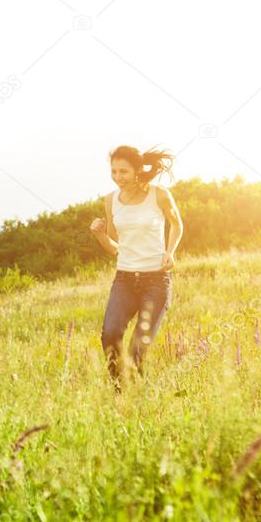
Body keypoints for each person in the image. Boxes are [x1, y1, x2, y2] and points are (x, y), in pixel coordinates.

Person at [90, 145, 184, 385]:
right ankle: (120, 391)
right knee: (110, 335)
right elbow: (115, 245)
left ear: (137, 171)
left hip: (156, 281)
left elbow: (177, 225)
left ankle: (138, 395)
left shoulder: (159, 194)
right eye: (114, 172)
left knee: (137, 347)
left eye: (124, 172)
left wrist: (170, 252)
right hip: (125, 280)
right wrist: (101, 235)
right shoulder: (111, 200)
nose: (118, 178)